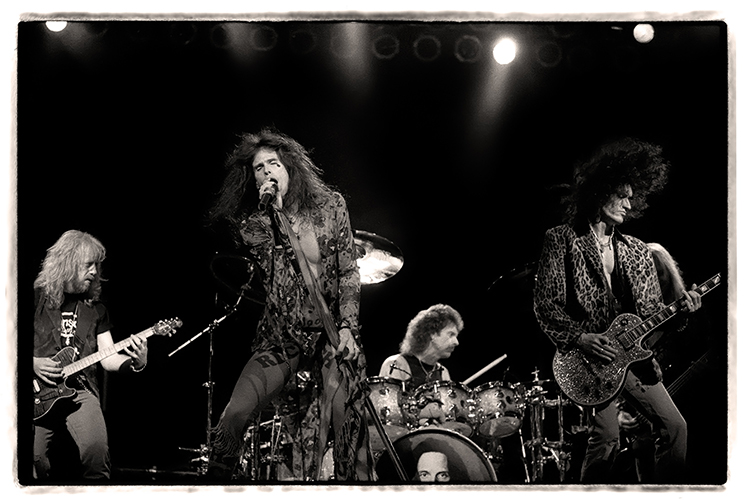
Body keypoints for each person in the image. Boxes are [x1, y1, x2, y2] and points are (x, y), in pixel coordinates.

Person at [532, 137, 702, 484]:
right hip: (588, 363)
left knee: (675, 427)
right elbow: (545, 304)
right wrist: (581, 338)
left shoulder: (637, 250)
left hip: (633, 358)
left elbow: (654, 313)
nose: (629, 203)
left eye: (632, 197)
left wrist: (681, 312)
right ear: (600, 191)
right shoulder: (563, 239)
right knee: (606, 437)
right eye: (622, 195)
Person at [206, 128, 372, 481]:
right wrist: (277, 219)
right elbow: (281, 284)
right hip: (283, 337)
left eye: (273, 164)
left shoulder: (330, 206)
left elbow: (348, 272)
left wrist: (348, 328)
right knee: (235, 413)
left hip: (331, 336)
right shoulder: (256, 226)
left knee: (347, 423)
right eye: (258, 168)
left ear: (290, 167)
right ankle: (217, 485)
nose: (266, 172)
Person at [32, 230, 148, 482]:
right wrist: (32, 363)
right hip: (37, 392)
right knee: (33, 460)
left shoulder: (96, 310)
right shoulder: (35, 299)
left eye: (97, 265)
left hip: (80, 390)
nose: (95, 272)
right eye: (88, 265)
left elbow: (108, 357)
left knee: (97, 453)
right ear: (68, 263)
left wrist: (135, 363)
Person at [379, 304, 463, 392]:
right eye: (451, 334)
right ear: (432, 333)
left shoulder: (443, 373)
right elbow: (388, 404)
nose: (456, 342)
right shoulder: (396, 365)